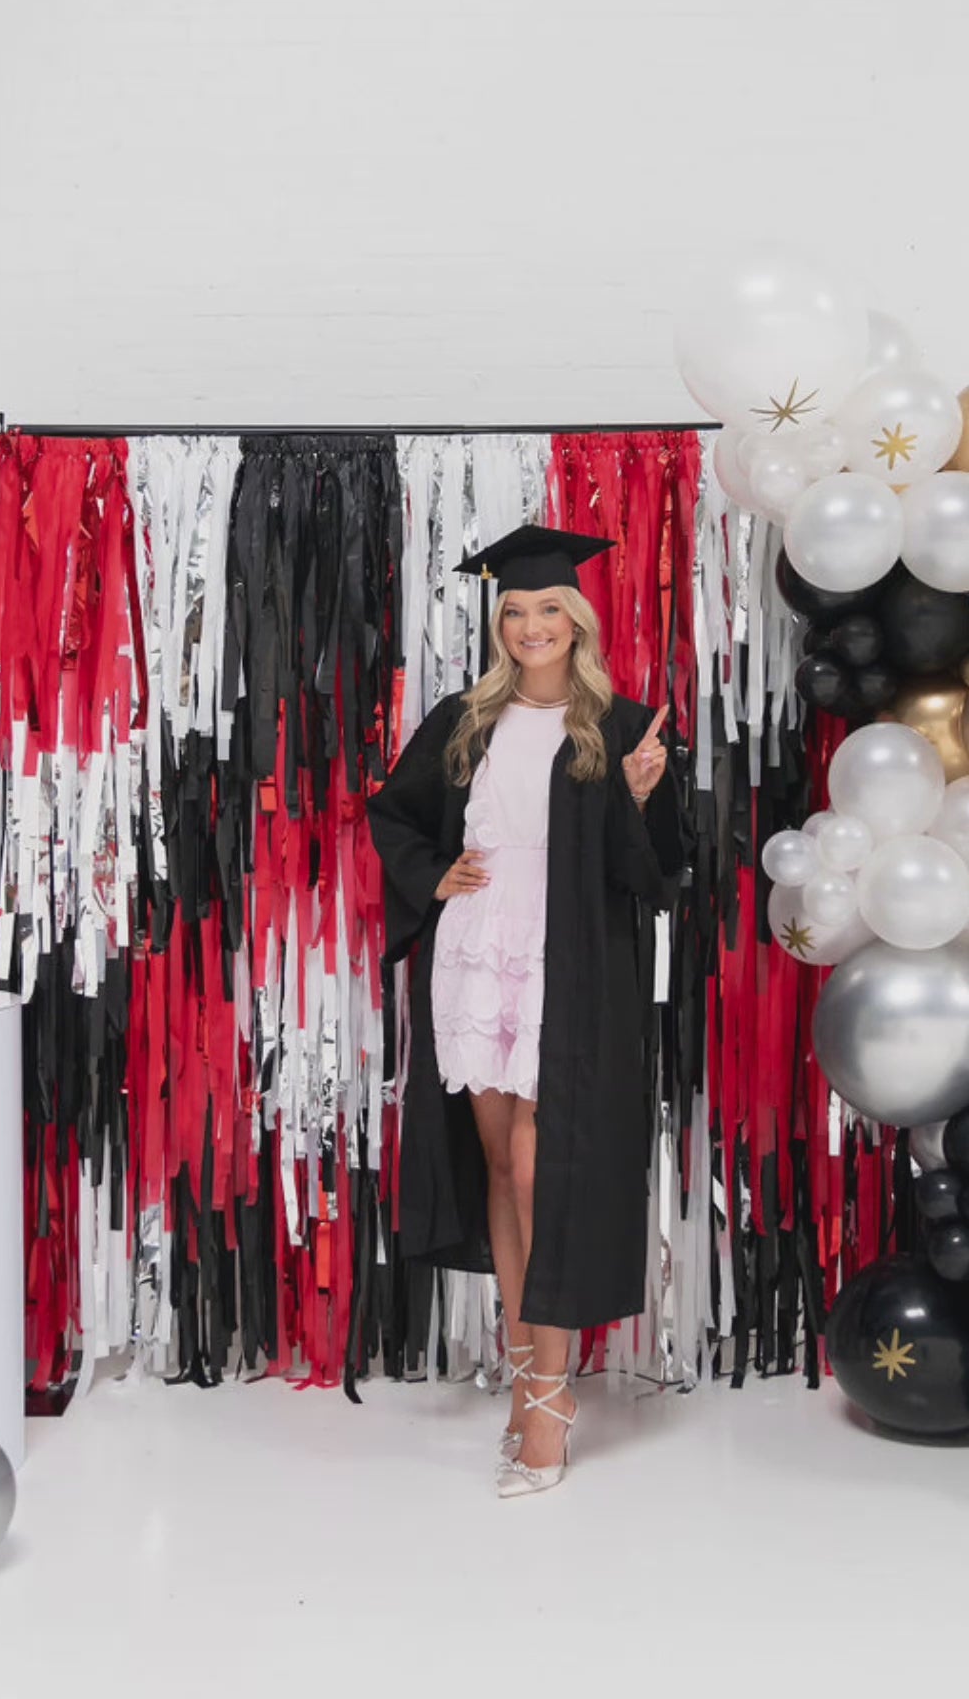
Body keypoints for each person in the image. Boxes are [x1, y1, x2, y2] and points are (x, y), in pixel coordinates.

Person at [367, 523, 687, 1497]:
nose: (532, 626)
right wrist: (436, 874)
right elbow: (395, 814)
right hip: (478, 950)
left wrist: (635, 799)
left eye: (549, 610)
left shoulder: (624, 723)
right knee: (503, 1168)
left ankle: (549, 1401)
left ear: (576, 620)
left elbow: (657, 878)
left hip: (574, 959)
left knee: (546, 1173)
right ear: (499, 625)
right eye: (515, 613)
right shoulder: (466, 722)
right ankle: (526, 1381)